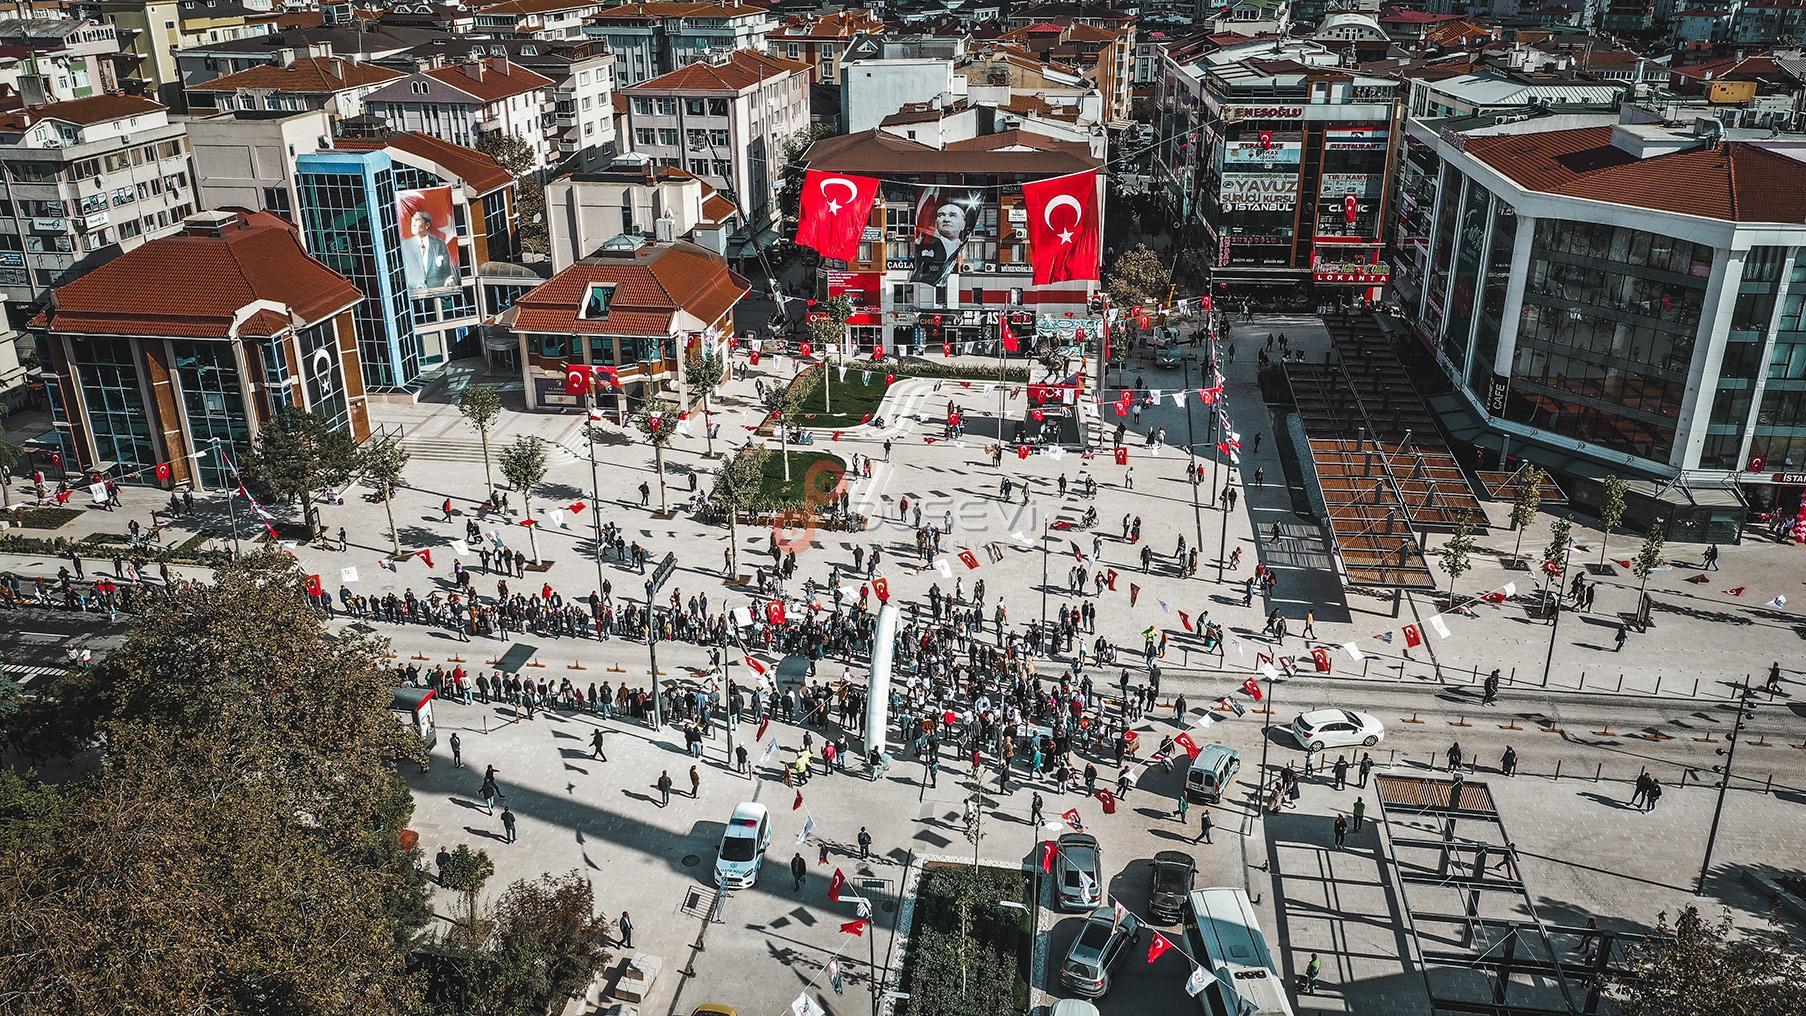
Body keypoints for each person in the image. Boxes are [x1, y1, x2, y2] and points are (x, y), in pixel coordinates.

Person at [912, 194, 977, 285]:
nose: (946, 220)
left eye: (952, 215)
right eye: (941, 215)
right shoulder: (925, 247)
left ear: (963, 224)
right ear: (936, 223)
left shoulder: (964, 247)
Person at [400, 206, 455, 290]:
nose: (413, 223)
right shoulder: (404, 246)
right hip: (413, 292)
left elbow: (447, 272)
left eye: (417, 220)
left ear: (427, 225)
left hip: (437, 291)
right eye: (412, 220)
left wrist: (447, 282)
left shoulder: (440, 245)